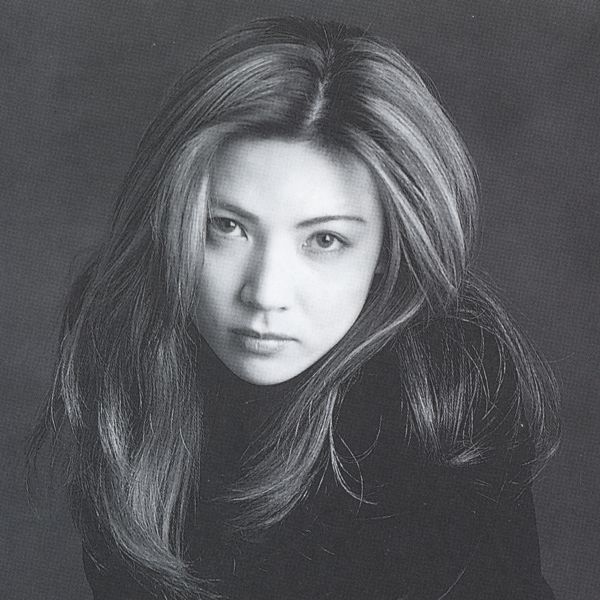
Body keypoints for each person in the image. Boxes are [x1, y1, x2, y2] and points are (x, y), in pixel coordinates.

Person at [29, 15, 560, 600]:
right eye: (226, 227)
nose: (265, 294)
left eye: (324, 240)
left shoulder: (444, 403)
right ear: (171, 223)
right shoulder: (125, 350)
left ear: (389, 251)